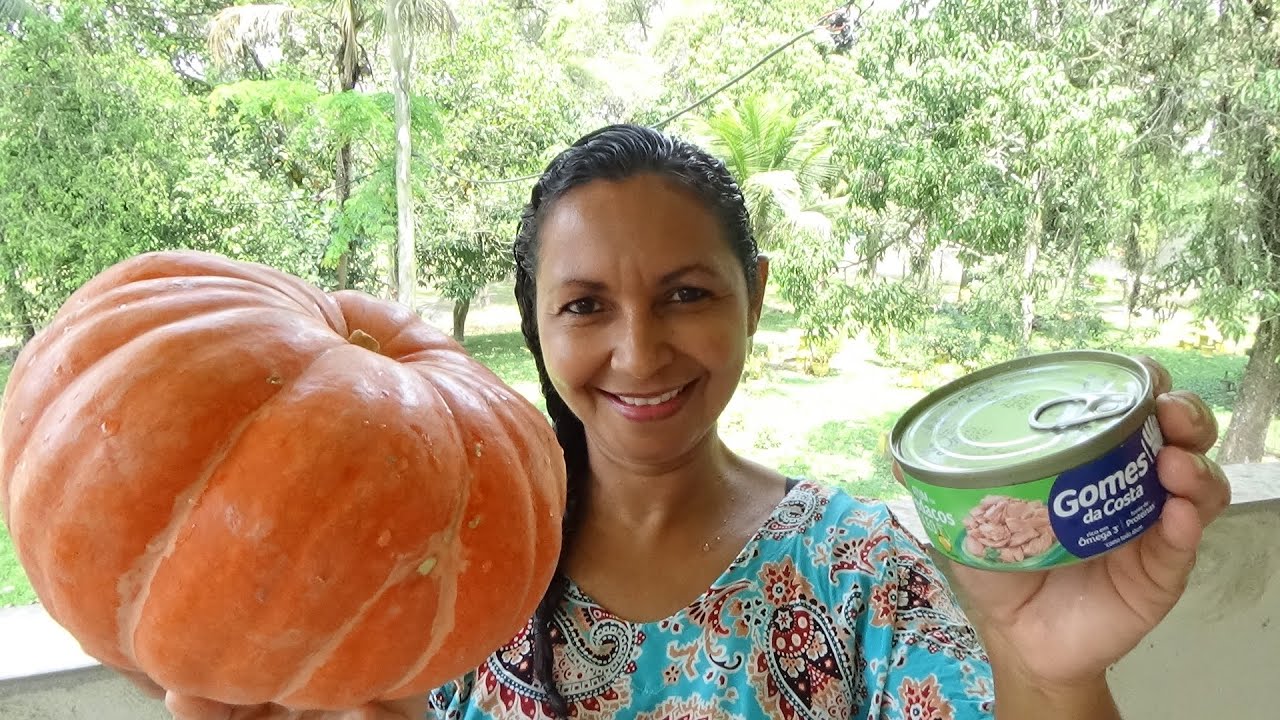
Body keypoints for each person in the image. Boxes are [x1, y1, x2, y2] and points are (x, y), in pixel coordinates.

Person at [149, 125, 1231, 720]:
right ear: (534, 325)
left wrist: (1050, 678)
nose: (639, 353)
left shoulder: (858, 573)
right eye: (585, 307)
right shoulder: (447, 573)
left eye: (685, 294)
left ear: (752, 296)